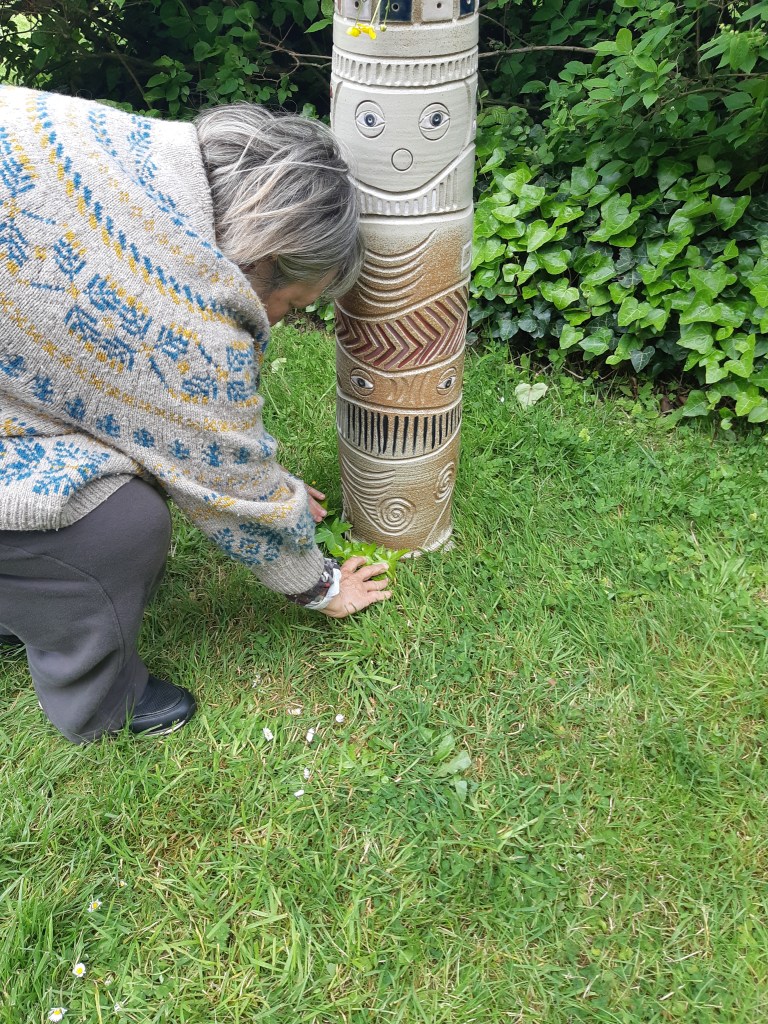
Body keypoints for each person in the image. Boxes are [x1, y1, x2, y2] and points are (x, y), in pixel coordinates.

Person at [0, 85, 393, 744]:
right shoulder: (187, 320)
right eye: (293, 306)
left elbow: (148, 410)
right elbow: (218, 465)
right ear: (266, 258)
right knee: (118, 524)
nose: (278, 322)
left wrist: (279, 486)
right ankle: (101, 706)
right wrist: (319, 584)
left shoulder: (128, 148)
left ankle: (20, 593)